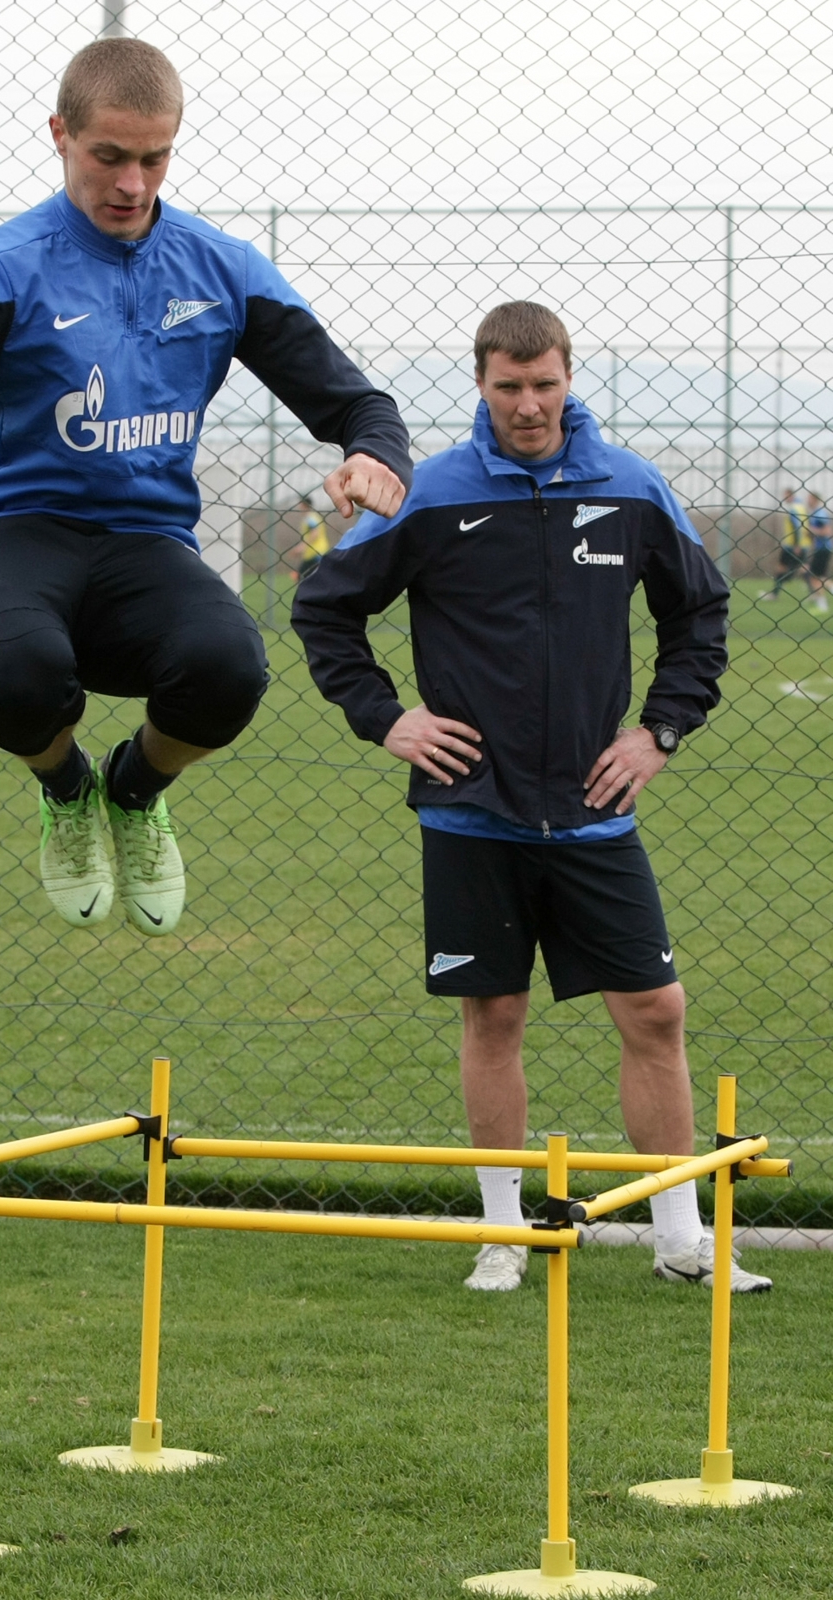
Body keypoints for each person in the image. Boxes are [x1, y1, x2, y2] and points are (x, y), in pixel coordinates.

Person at [0, 37, 410, 937]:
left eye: (155, 158)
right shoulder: (2, 265)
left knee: (231, 668)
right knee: (16, 672)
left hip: (146, 545)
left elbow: (354, 397)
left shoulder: (222, 267)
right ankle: (67, 789)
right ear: (60, 135)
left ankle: (131, 793)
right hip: (6, 532)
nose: (133, 183)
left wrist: (376, 451)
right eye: (110, 157)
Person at [293, 300, 772, 1295]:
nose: (527, 405)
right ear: (480, 385)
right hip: (472, 810)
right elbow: (325, 606)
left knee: (654, 1010)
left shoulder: (629, 487)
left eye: (543, 383)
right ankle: (502, 1233)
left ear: (568, 376)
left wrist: (660, 730)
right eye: (507, 387)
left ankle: (680, 1237)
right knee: (494, 1014)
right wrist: (387, 720)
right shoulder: (428, 494)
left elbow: (701, 609)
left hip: (596, 810)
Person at [763, 487, 811, 599]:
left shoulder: (793, 508)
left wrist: (796, 544)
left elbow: (796, 526)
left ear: (791, 495)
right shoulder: (802, 507)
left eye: (786, 496)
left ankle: (775, 593)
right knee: (803, 567)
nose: (784, 498)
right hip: (804, 543)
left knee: (782, 567)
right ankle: (812, 592)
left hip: (792, 545)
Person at [292, 494, 330, 580]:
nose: (299, 507)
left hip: (316, 553)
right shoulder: (311, 517)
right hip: (312, 553)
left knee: (303, 577)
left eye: (300, 504)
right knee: (306, 578)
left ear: (304, 505)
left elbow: (314, 533)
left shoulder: (310, 518)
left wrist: (301, 547)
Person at [805, 490, 831, 613]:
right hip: (820, 549)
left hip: (823, 549)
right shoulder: (815, 513)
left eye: (809, 498)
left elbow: (827, 531)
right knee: (818, 577)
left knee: (816, 577)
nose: (807, 501)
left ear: (814, 499)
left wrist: (811, 530)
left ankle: (822, 605)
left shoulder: (819, 513)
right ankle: (822, 604)